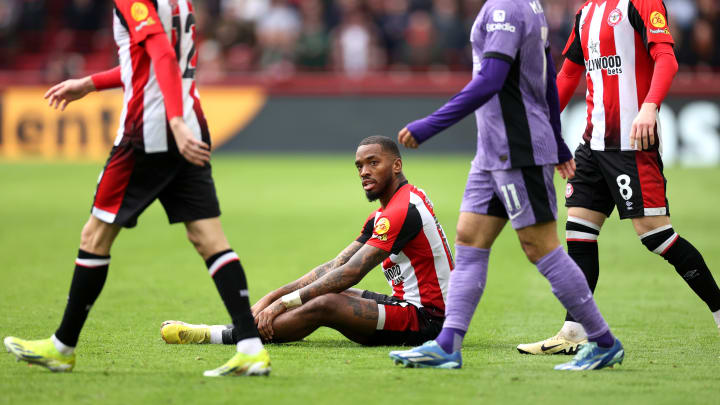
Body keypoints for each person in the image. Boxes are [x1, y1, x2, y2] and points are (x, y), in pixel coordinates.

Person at [3, 0, 269, 377]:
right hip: (190, 123)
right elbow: (147, 63)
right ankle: (250, 348)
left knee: (95, 235)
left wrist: (172, 121)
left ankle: (62, 347)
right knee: (209, 238)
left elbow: (160, 52)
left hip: (149, 132)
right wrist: (89, 84)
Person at [387, 0, 624, 371]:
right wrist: (559, 141)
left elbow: (492, 78)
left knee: (540, 248)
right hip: (492, 152)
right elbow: (546, 76)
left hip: (519, 150)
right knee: (469, 238)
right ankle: (448, 344)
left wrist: (430, 124)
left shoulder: (505, 9)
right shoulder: (526, 6)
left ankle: (604, 341)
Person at [516, 0, 720, 355]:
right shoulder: (585, 13)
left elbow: (666, 58)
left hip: (632, 145)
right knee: (579, 234)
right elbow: (567, 74)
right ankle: (574, 333)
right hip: (592, 145)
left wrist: (650, 105)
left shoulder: (641, 3)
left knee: (657, 236)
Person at [160, 136, 454, 347]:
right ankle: (243, 327)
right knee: (335, 292)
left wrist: (282, 304)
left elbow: (350, 272)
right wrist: (275, 295)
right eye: (359, 166)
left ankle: (216, 335)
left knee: (325, 303)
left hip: (429, 321)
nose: (364, 172)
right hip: (405, 305)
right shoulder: (386, 212)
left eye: (373, 163)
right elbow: (336, 265)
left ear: (397, 165)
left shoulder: (401, 211)